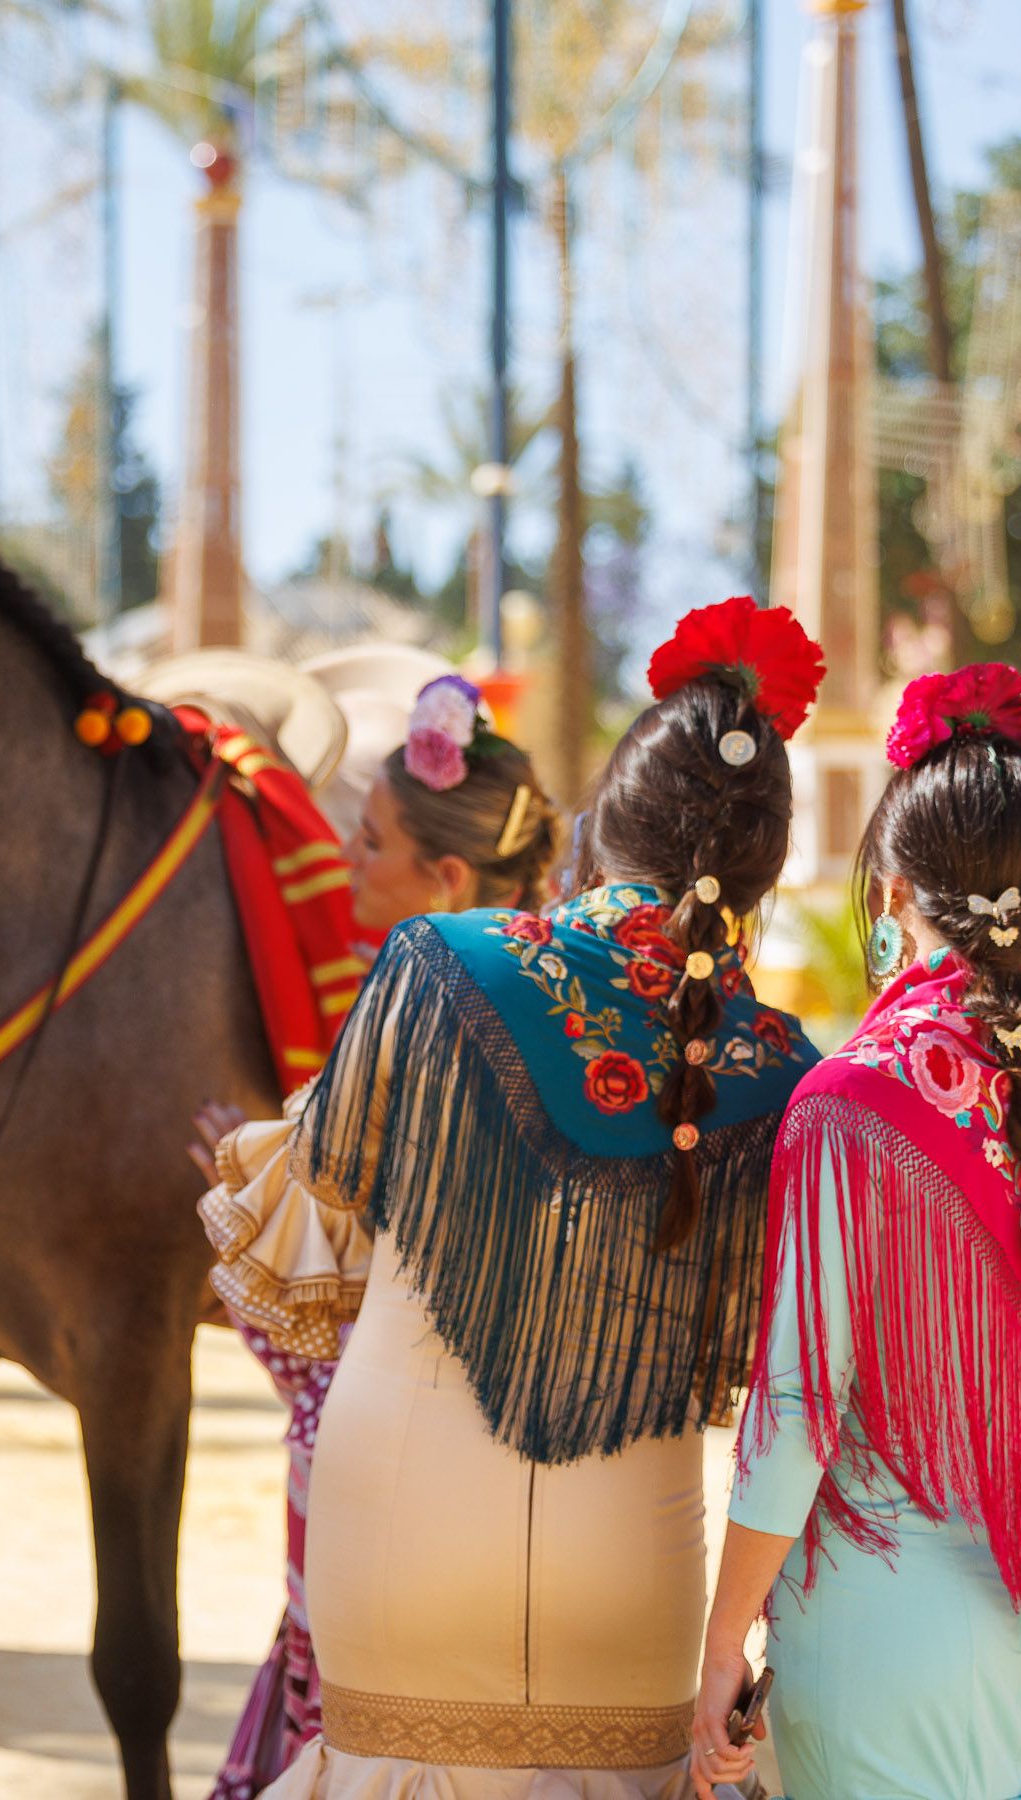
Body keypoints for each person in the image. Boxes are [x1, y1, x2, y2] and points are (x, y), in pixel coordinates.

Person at [212, 598, 826, 1800]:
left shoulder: (440, 964)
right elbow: (778, 1380)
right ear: (766, 866)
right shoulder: (784, 1071)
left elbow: (317, 1242)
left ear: (602, 827)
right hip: (627, 1559)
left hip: (400, 1526)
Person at [693, 663, 1021, 1800]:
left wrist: (716, 1647)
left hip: (869, 1617)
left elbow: (798, 1411)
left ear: (895, 889)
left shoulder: (852, 1103)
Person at [189, 674, 561, 1800]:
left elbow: (334, 1339)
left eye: (370, 844)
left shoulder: (397, 1029)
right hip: (555, 1513)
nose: (349, 868)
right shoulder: (587, 1021)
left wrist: (235, 1206)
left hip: (388, 1498)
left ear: (443, 879)